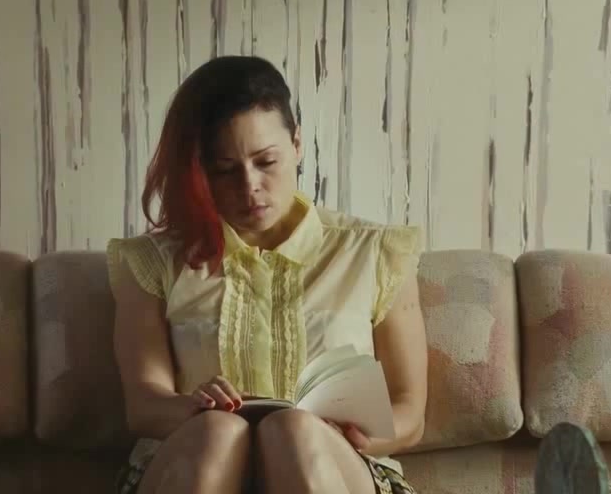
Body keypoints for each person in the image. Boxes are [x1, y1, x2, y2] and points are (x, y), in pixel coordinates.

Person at [107, 55, 428, 494]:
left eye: (266, 161)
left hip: (337, 469)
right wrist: (195, 410)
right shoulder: (152, 262)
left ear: (297, 144)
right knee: (218, 432)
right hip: (194, 462)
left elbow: (410, 410)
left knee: (294, 431)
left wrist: (354, 435)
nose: (249, 186)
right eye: (224, 170)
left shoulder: (373, 252)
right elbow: (144, 404)